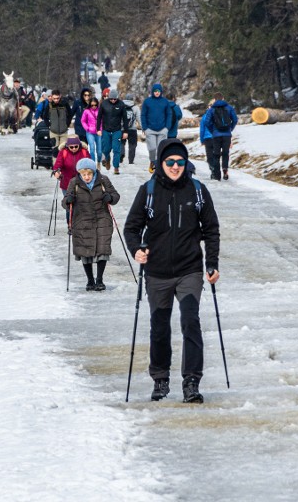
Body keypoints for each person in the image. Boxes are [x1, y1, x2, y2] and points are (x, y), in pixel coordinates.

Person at [123, 138, 221, 403]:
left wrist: (212, 263)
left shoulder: (198, 191)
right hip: (156, 272)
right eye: (170, 162)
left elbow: (211, 229)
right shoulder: (149, 190)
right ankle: (161, 379)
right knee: (160, 327)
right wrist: (137, 250)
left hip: (189, 269)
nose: (175, 166)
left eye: (180, 162)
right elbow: (131, 227)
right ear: (161, 163)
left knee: (190, 321)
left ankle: (191, 381)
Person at [62, 158, 121, 291]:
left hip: (102, 219)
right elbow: (65, 202)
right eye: (84, 174)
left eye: (89, 174)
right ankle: (90, 280)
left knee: (103, 249)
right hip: (82, 221)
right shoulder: (74, 182)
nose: (87, 177)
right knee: (85, 251)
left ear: (94, 172)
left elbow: (115, 195)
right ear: (80, 174)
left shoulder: (103, 180)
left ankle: (99, 280)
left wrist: (110, 198)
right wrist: (68, 200)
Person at [202, 93, 238, 180]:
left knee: (216, 155)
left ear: (214, 99)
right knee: (225, 153)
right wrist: (230, 128)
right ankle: (225, 169)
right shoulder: (229, 107)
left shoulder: (212, 109)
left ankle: (217, 175)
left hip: (216, 135)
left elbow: (207, 122)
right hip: (227, 135)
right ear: (223, 98)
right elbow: (235, 119)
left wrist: (212, 130)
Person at [140, 83, 173, 173]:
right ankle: (152, 161)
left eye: (158, 91)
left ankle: (159, 165)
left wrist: (167, 127)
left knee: (161, 148)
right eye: (155, 91)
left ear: (161, 92)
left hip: (162, 129)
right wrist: (145, 128)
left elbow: (169, 114)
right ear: (152, 92)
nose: (157, 93)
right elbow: (143, 115)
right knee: (152, 148)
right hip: (150, 129)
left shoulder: (165, 102)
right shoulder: (147, 102)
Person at [98, 89, 128, 174]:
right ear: (109, 98)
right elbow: (99, 117)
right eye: (111, 99)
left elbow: (125, 119)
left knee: (116, 149)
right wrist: (98, 129)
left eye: (115, 99)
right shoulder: (104, 103)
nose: (113, 100)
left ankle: (116, 167)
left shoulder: (121, 104)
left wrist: (126, 131)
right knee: (106, 149)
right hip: (106, 130)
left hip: (117, 130)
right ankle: (107, 159)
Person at [39, 89, 74, 154]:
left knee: (63, 150)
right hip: (53, 131)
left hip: (63, 131)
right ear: (52, 97)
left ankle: (63, 164)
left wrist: (67, 124)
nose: (56, 100)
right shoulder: (49, 106)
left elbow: (70, 114)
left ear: (60, 96)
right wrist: (49, 125)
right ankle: (55, 164)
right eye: (54, 98)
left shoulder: (65, 104)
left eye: (57, 98)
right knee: (55, 151)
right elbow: (45, 117)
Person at [81, 97, 102, 164]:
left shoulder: (100, 111)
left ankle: (99, 161)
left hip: (99, 132)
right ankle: (93, 163)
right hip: (90, 132)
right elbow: (83, 121)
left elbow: (103, 121)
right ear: (90, 104)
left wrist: (101, 129)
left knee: (99, 151)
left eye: (95, 105)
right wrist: (87, 128)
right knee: (92, 148)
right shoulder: (86, 111)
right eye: (92, 105)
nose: (94, 107)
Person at [199, 98, 216, 179]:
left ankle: (213, 169)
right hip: (215, 137)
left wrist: (202, 139)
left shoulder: (205, 116)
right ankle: (215, 169)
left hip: (208, 138)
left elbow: (202, 129)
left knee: (210, 156)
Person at [122, 93, 140, 165]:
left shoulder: (121, 106)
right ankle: (131, 160)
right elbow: (139, 118)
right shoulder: (135, 107)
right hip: (132, 129)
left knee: (121, 143)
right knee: (132, 145)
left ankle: (121, 153)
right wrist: (143, 128)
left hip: (122, 128)